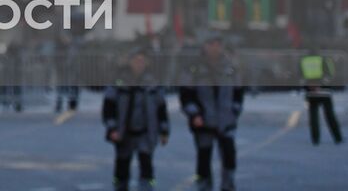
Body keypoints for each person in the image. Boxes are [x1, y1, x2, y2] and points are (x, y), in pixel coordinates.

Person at [179, 33, 243, 191]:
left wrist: (234, 111)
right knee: (204, 156)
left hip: (225, 120)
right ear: (204, 46)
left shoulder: (230, 68)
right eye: (211, 44)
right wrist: (194, 114)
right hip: (203, 121)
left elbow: (238, 93)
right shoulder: (193, 68)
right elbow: (186, 95)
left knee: (229, 154)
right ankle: (203, 185)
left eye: (218, 44)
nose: (215, 48)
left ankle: (228, 185)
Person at [102, 47, 170, 191]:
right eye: (136, 60)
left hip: (146, 132)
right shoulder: (119, 80)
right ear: (130, 61)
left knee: (146, 166)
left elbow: (161, 108)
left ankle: (147, 187)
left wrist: (164, 130)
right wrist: (112, 127)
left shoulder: (153, 82)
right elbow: (108, 107)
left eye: (142, 60)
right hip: (124, 132)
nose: (139, 63)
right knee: (122, 166)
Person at [299, 44, 343, 144]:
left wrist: (309, 86)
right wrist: (320, 85)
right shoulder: (324, 59)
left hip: (311, 92)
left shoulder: (303, 61)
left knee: (313, 117)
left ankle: (315, 139)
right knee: (330, 115)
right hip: (324, 92)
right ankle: (338, 138)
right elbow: (331, 74)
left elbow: (300, 77)